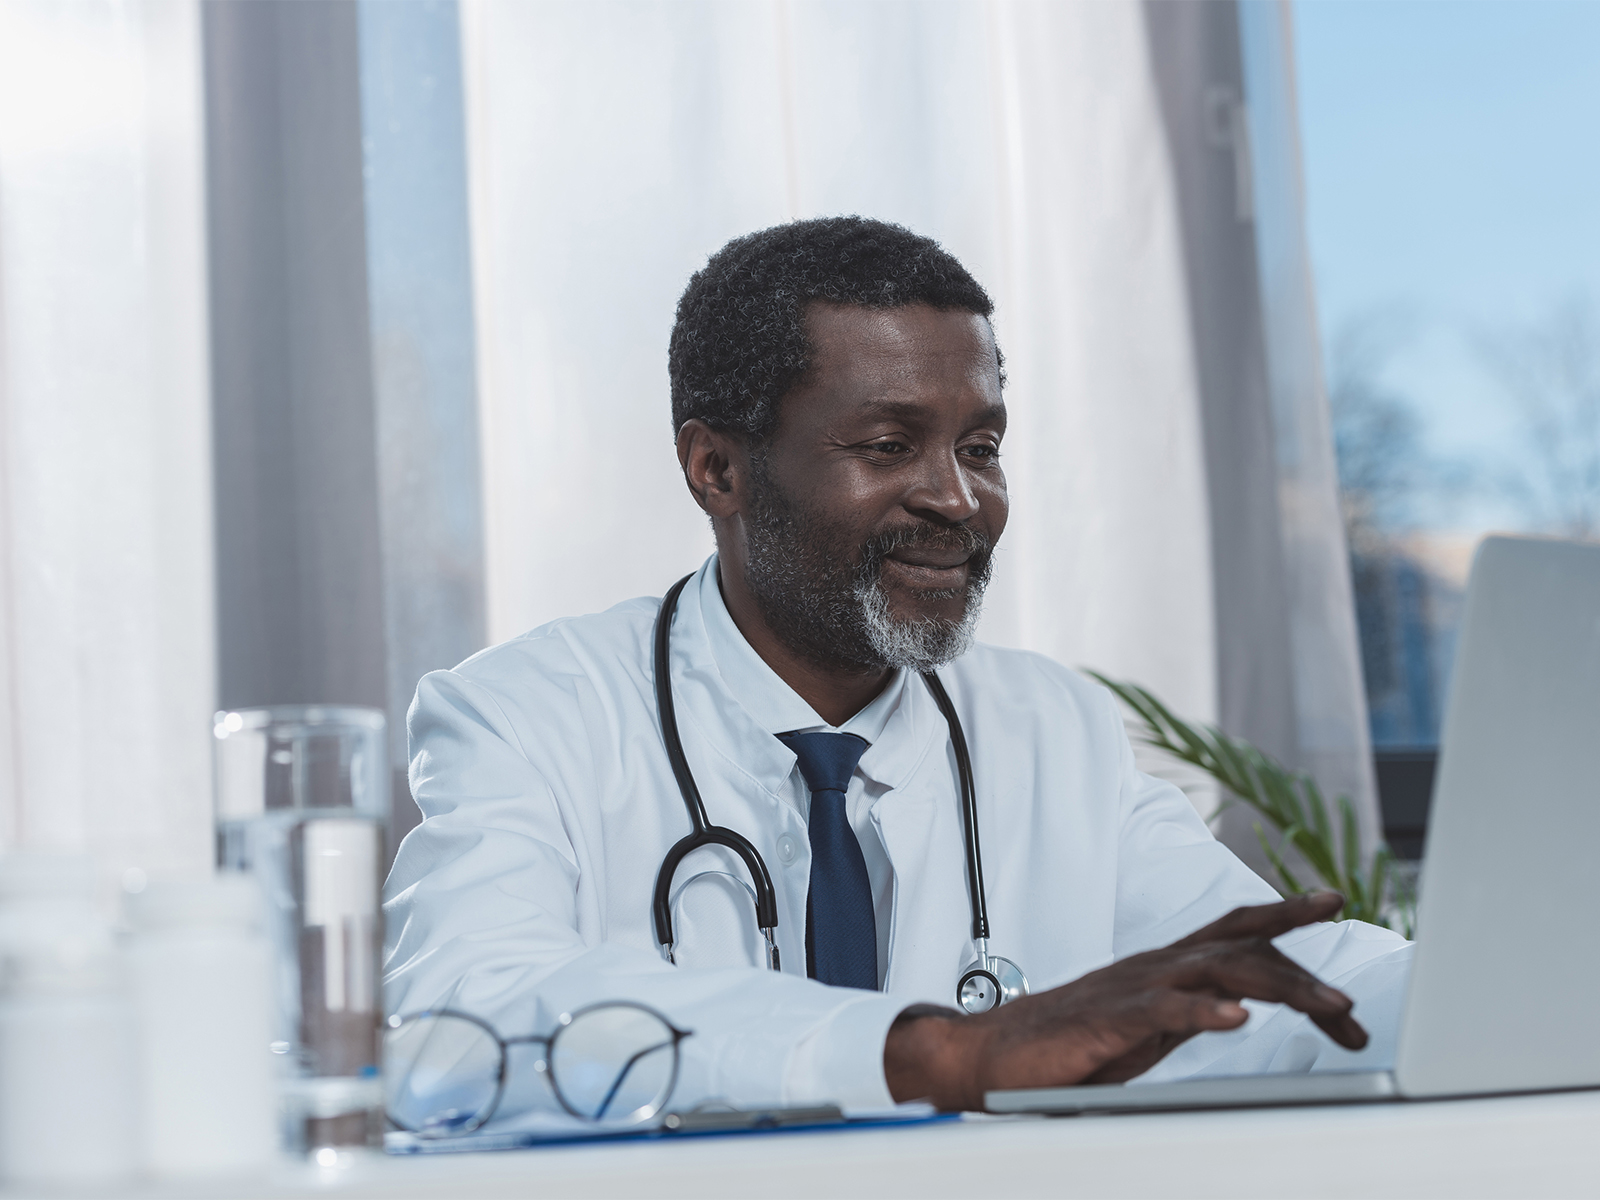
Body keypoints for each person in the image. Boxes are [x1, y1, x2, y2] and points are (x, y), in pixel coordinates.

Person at [383, 217, 1410, 1115]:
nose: (957, 499)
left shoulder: (1052, 730)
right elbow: (457, 1029)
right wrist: (940, 1057)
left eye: (980, 445)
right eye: (888, 447)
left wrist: (1502, 988)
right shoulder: (528, 715)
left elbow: (1261, 985)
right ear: (718, 468)